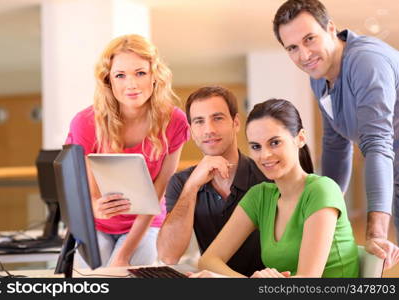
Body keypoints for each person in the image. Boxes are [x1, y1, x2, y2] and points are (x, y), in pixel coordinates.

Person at [272, 0, 399, 268]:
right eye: (292, 48)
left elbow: (376, 143)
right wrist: (324, 209)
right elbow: (335, 142)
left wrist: (375, 233)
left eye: (310, 39)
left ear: (331, 28)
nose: (304, 55)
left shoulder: (366, 62)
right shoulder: (318, 77)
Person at [190, 99, 359, 278]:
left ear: (300, 138)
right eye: (256, 146)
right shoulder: (260, 196)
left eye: (275, 143)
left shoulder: (322, 190)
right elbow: (208, 260)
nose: (265, 155)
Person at [65, 34, 190, 267]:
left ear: (154, 75)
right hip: (97, 225)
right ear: (108, 80)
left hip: (146, 224)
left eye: (140, 73)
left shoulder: (174, 121)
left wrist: (123, 254)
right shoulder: (86, 123)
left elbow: (157, 195)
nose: (131, 84)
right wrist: (95, 207)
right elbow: (89, 195)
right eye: (120, 75)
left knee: (124, 275)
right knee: (90, 279)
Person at [157, 86, 269, 276]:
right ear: (191, 131)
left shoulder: (266, 175)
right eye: (199, 121)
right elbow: (168, 256)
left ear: (235, 123)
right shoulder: (181, 182)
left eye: (217, 118)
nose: (209, 129)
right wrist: (192, 186)